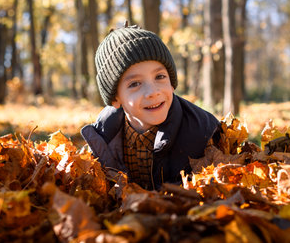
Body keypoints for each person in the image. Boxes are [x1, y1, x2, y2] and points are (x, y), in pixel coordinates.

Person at [81, 23, 220, 190]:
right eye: (135, 84)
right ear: (116, 98)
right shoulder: (103, 137)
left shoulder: (201, 131)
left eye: (160, 76)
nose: (152, 92)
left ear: (171, 83)